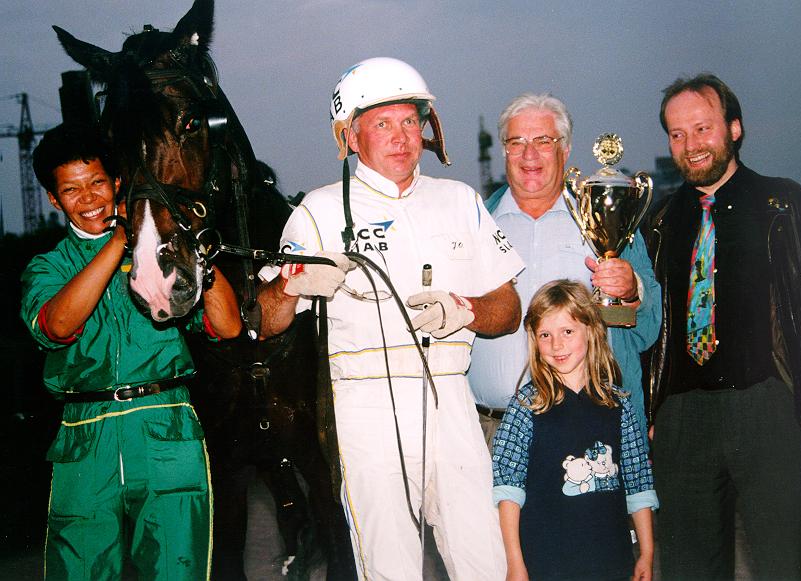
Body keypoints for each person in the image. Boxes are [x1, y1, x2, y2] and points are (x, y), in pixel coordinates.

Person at [257, 57, 524, 580]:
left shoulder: (461, 201)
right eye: (382, 124)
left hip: (450, 397)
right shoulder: (319, 211)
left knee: (486, 562)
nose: (401, 137)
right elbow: (264, 322)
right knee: (390, 566)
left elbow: (509, 308)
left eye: (410, 122)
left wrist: (464, 310)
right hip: (365, 404)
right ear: (351, 137)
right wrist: (291, 285)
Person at [648, 73, 801, 580]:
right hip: (681, 420)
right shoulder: (658, 223)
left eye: (703, 128)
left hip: (769, 407)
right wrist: (652, 407)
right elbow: (647, 325)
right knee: (688, 570)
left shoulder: (791, 207)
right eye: (677, 134)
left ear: (735, 128)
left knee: (785, 566)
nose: (691, 145)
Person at [21, 123, 242, 580]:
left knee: (176, 569)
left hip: (166, 427)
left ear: (117, 182)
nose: (89, 198)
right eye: (72, 189)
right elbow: (57, 325)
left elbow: (228, 327)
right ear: (53, 199)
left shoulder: (161, 254)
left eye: (98, 183)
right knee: (81, 571)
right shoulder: (47, 266)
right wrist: (122, 238)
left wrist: (197, 253)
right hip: (86, 440)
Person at [469, 93, 661, 449]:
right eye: (517, 142)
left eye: (543, 141)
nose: (529, 155)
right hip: (491, 433)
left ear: (566, 149)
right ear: (504, 150)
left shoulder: (606, 222)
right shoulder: (474, 223)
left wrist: (632, 290)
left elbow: (649, 329)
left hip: (588, 430)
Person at [492, 279, 658, 581]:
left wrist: (646, 553)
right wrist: (515, 564)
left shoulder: (619, 405)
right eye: (545, 334)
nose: (557, 345)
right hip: (546, 564)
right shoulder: (526, 406)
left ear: (592, 331)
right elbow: (508, 491)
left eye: (567, 331)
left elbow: (638, 483)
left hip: (611, 562)